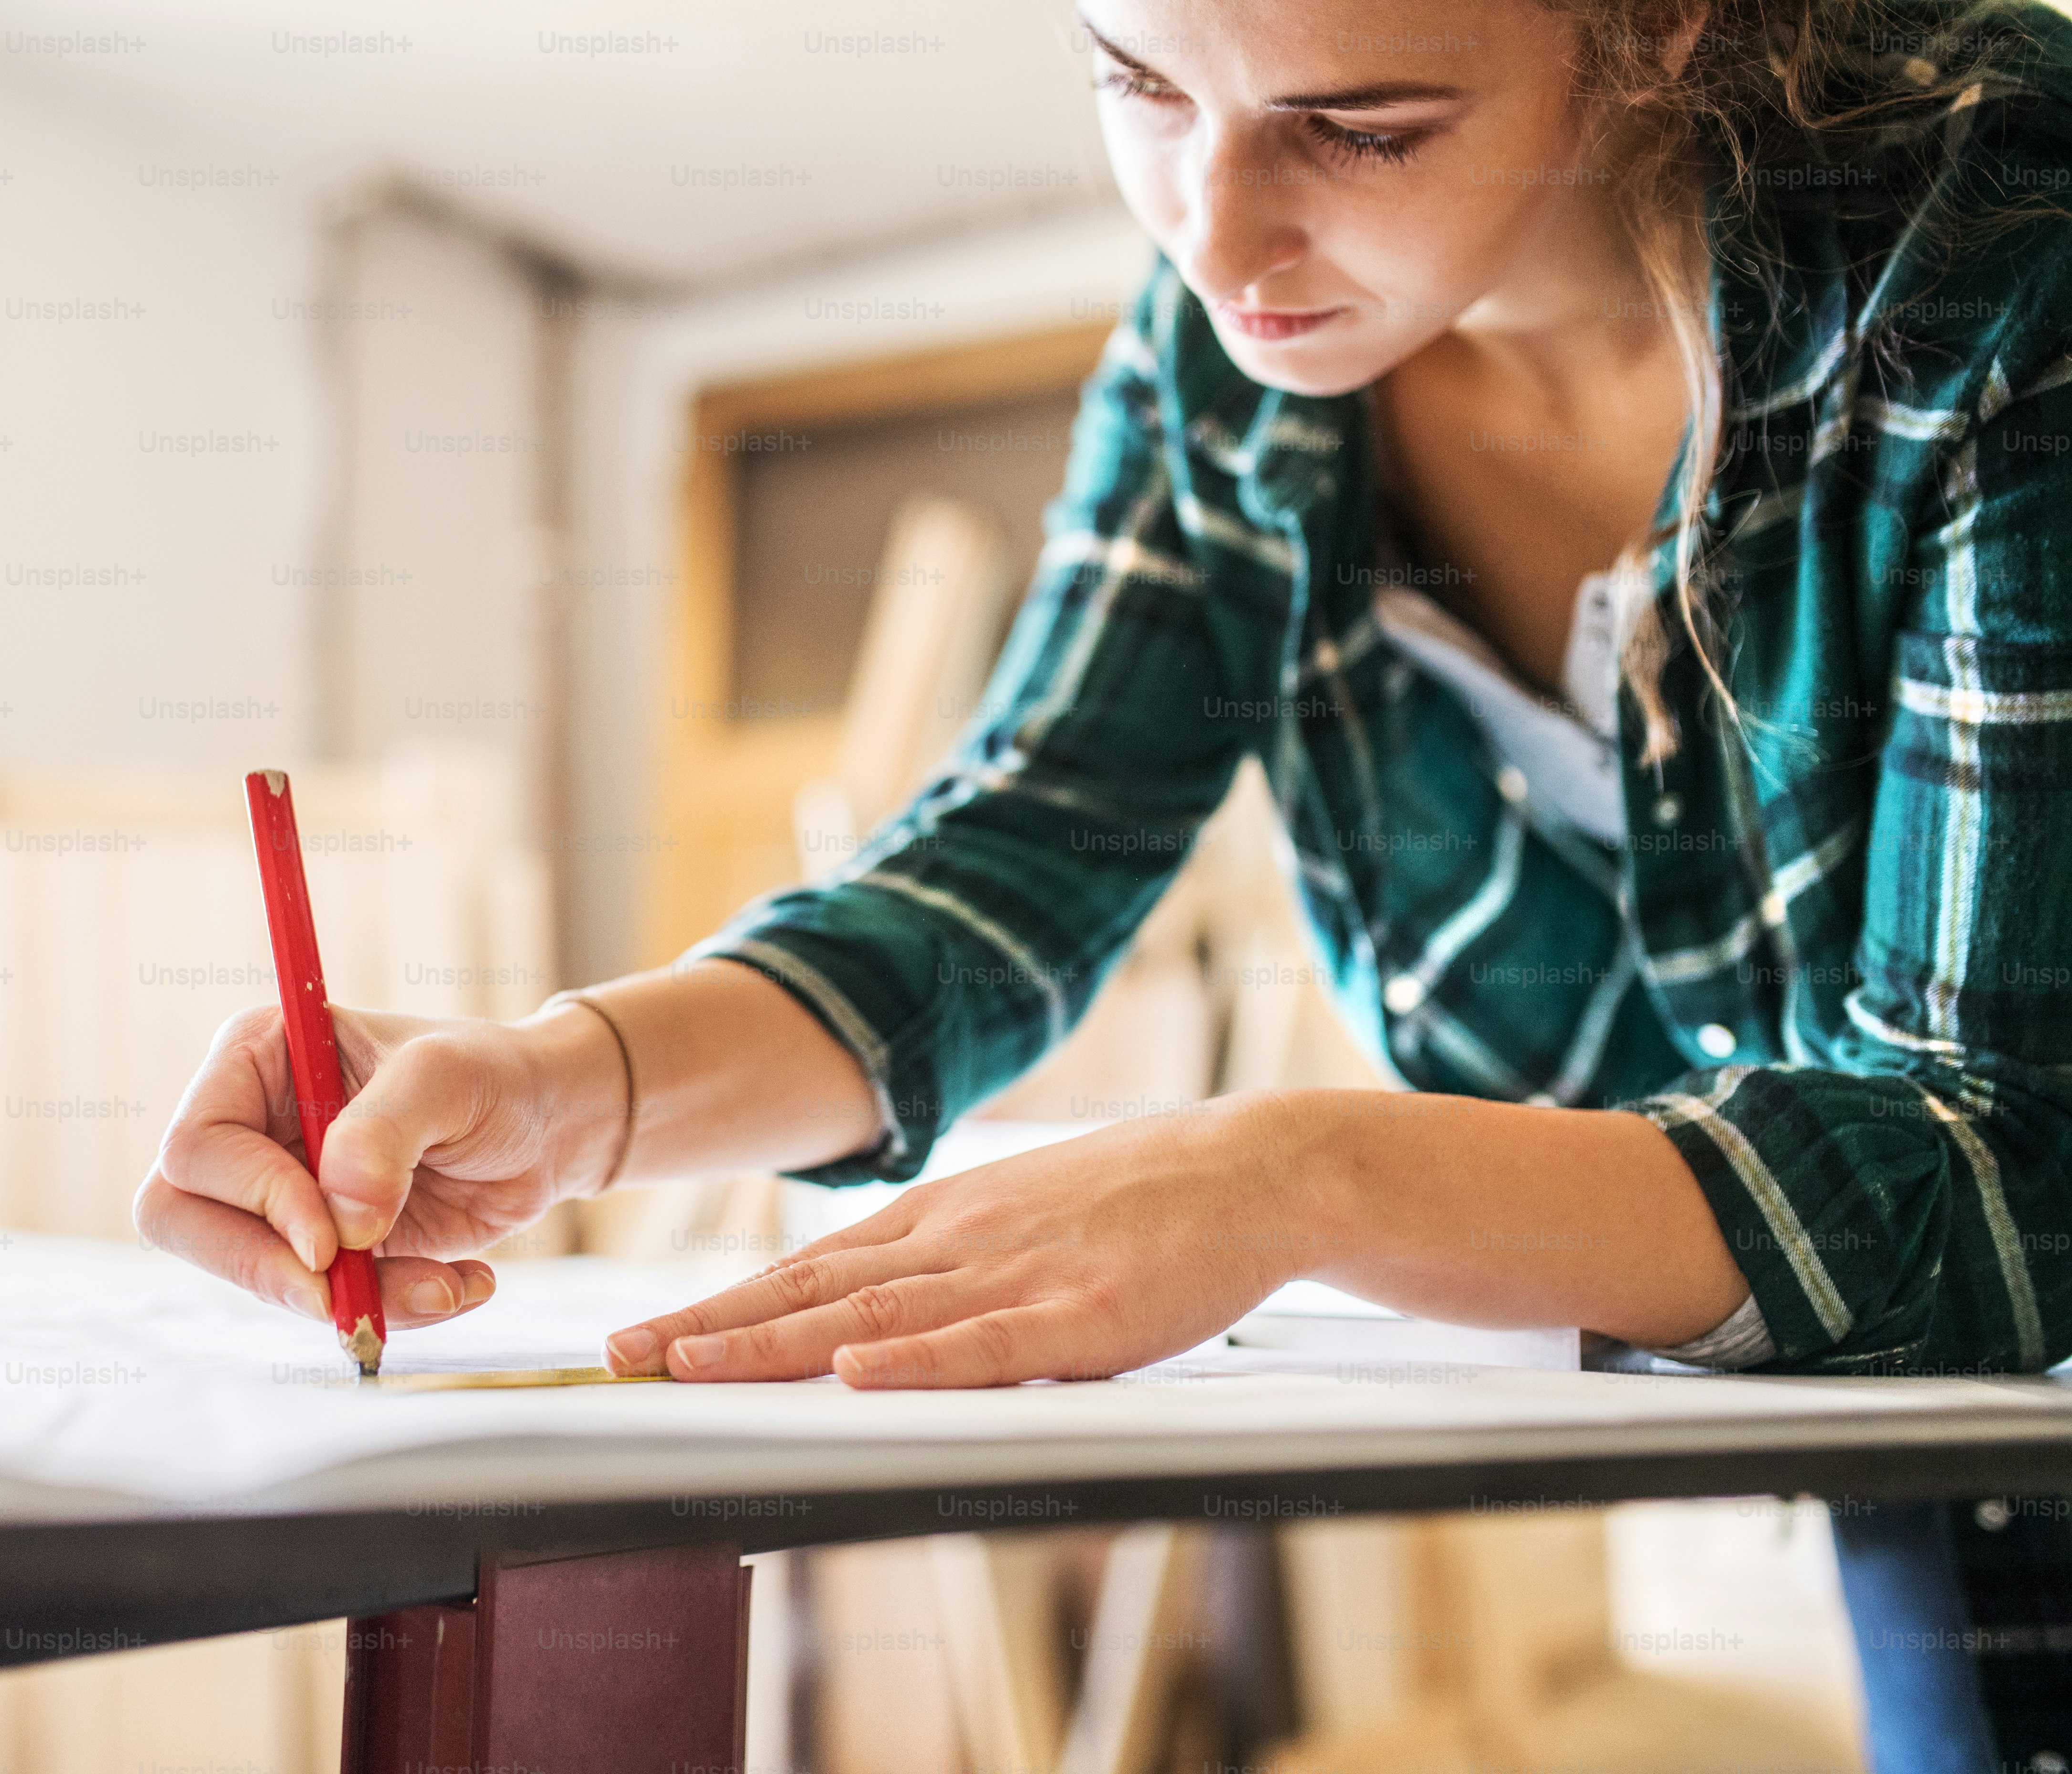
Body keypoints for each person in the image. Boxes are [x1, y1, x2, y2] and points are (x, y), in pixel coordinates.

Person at [138, 2, 2072, 1766]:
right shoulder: (1231, 365)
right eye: (1141, 82)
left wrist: (1294, 1176)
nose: (1212, 239)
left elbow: (2003, 1166)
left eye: (1360, 128)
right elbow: (1006, 859)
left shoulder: (2014, 243)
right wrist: (570, 1080)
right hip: (1914, 1430)